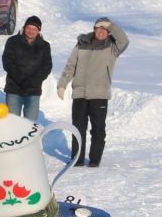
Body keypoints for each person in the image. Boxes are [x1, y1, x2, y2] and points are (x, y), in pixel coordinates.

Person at [55, 17, 129, 168]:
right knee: (78, 128)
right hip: (80, 93)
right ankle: (77, 159)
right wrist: (62, 84)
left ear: (108, 32)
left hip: (99, 94)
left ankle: (95, 159)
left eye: (104, 29)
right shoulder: (81, 44)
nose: (101, 32)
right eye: (98, 28)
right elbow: (71, 65)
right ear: (94, 29)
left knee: (98, 129)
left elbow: (124, 40)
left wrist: (111, 25)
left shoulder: (112, 47)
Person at [1, 15, 53, 122]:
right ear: (24, 27)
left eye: (34, 29)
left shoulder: (44, 45)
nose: (31, 31)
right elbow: (7, 62)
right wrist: (20, 78)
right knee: (12, 122)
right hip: (14, 89)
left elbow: (46, 66)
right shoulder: (13, 41)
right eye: (29, 28)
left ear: (38, 31)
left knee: (30, 125)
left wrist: (34, 81)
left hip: (33, 90)